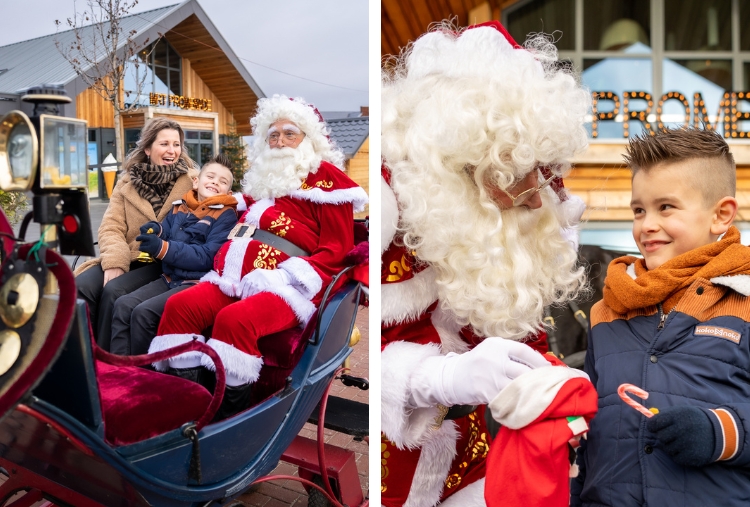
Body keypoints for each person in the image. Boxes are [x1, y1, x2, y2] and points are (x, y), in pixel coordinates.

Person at [381, 21, 599, 507]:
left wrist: (552, 376)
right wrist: (439, 377)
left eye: (544, 172)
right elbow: (351, 347)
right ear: (463, 163)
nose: (535, 197)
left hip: (472, 454)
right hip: (391, 462)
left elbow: (513, 321)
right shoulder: (388, 210)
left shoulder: (508, 213)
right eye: (519, 173)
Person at [147, 94, 368, 420]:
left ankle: (229, 421)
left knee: (234, 321)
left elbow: (335, 252)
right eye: (273, 135)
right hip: (234, 277)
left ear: (309, 138)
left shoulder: (329, 184)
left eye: (289, 133)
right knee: (180, 308)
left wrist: (281, 276)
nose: (279, 142)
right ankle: (187, 410)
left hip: (291, 287)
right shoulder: (264, 179)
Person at [571, 127, 750, 507]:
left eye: (665, 207)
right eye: (639, 210)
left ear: (721, 215)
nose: (646, 224)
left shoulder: (746, 300)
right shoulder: (605, 312)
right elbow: (588, 428)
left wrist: (719, 432)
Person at [75, 118, 198, 351]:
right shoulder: (127, 182)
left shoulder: (193, 183)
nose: (172, 150)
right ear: (148, 148)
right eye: (164, 144)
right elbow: (111, 226)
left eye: (176, 144)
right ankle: (83, 357)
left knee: (113, 290)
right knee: (82, 286)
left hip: (163, 261)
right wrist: (115, 262)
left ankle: (105, 363)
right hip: (129, 256)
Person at [108, 154, 238, 356]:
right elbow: (166, 230)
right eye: (210, 176)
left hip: (194, 282)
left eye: (222, 181)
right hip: (170, 277)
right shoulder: (181, 205)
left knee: (144, 313)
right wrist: (156, 231)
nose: (214, 182)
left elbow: (206, 256)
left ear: (229, 192)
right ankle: (118, 368)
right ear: (196, 181)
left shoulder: (225, 215)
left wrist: (162, 247)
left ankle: (144, 375)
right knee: (124, 305)